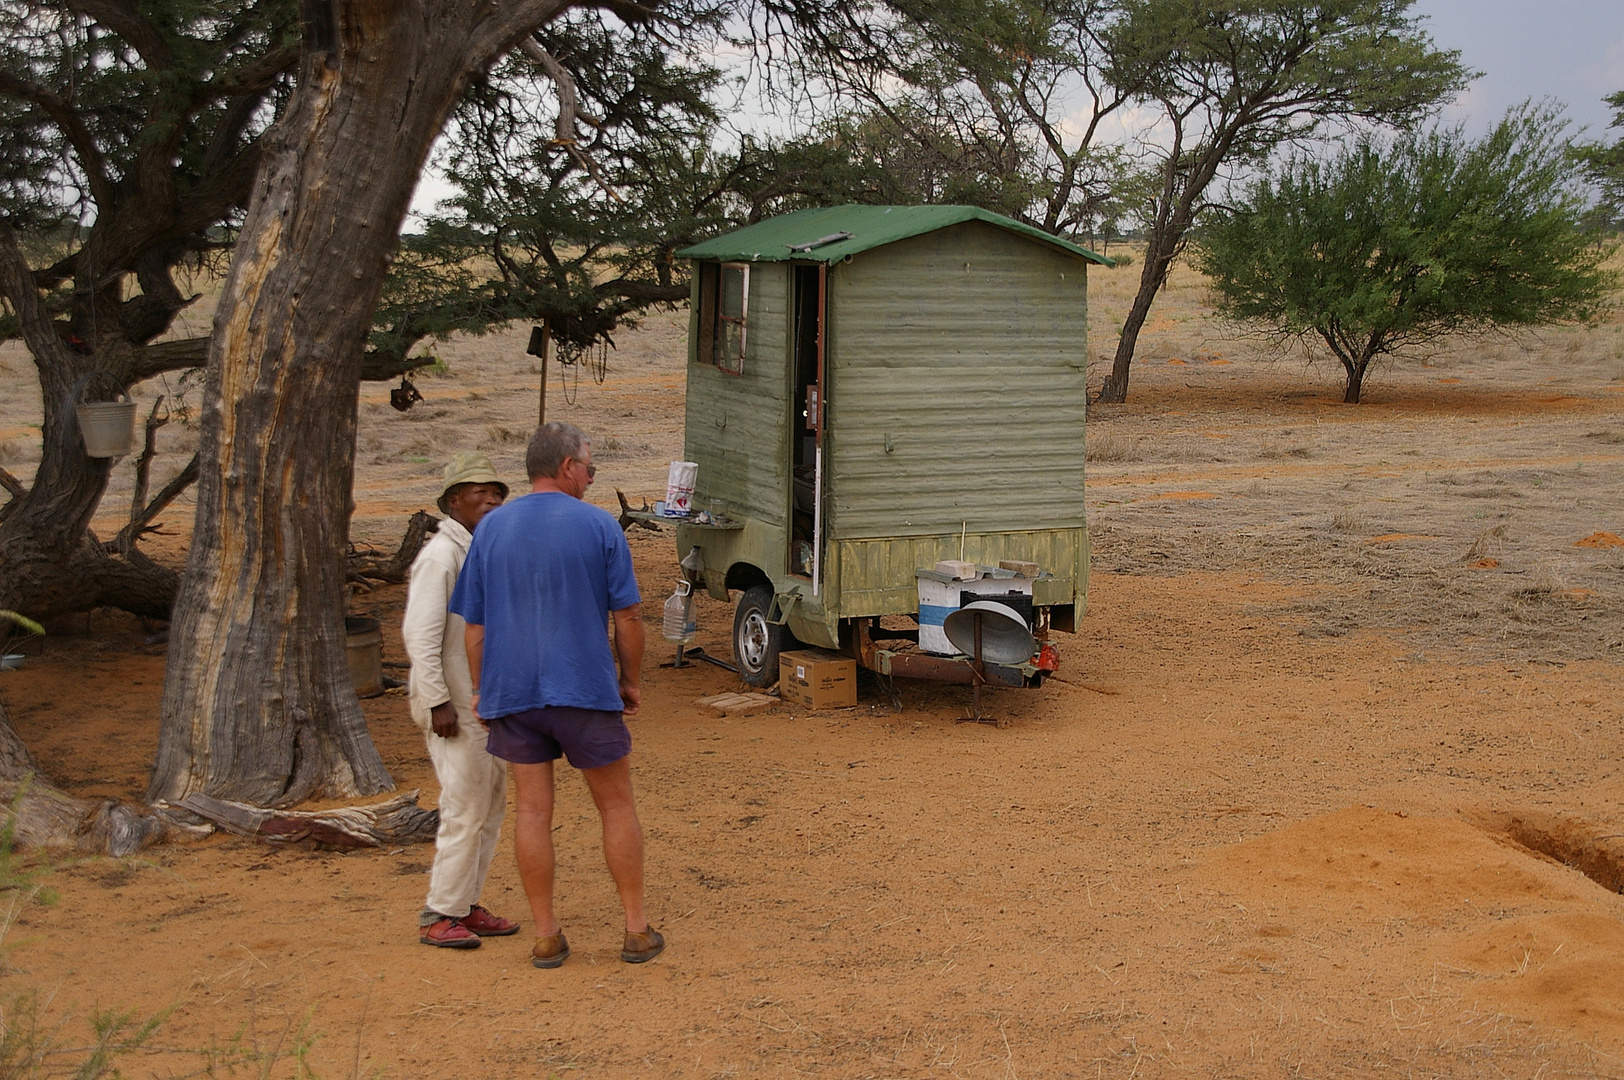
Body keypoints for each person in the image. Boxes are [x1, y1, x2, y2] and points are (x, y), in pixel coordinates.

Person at [450, 421, 662, 969]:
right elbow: (630, 615)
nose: (592, 479)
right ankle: (636, 929)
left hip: (514, 693)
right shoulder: (598, 526)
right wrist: (630, 680)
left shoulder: (491, 530)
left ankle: (546, 934)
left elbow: (474, 628)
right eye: (590, 469)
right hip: (585, 689)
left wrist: (480, 691)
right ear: (568, 466)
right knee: (615, 804)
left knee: (532, 813)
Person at [402, 452, 521, 948]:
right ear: (455, 501)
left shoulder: (479, 549)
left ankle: (464, 905)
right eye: (481, 493)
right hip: (452, 705)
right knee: (465, 807)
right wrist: (436, 702)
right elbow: (420, 634)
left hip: (482, 704)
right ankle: (439, 914)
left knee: (489, 806)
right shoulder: (441, 555)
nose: (492, 501)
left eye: (497, 494)